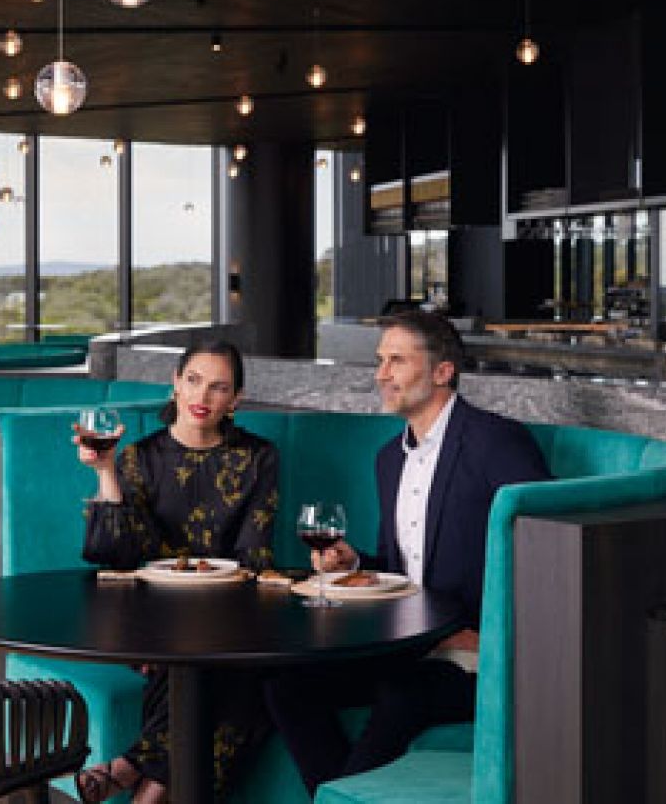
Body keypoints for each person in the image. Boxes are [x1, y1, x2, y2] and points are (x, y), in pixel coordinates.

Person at [264, 311, 551, 792]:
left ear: (443, 371)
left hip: (475, 652)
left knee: (403, 695)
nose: (381, 374)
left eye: (397, 360)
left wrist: (493, 636)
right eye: (380, 360)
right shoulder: (389, 459)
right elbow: (402, 569)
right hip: (406, 643)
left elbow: (547, 550)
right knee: (286, 684)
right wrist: (354, 564)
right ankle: (334, 797)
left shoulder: (495, 442)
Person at [74, 339, 279, 804]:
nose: (203, 396)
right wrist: (105, 472)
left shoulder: (259, 457)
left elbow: (254, 556)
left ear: (236, 400)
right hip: (149, 621)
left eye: (219, 387)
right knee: (231, 679)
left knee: (240, 679)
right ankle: (135, 776)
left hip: (230, 618)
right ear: (175, 385)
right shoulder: (140, 458)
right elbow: (116, 554)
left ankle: (129, 771)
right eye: (193, 381)